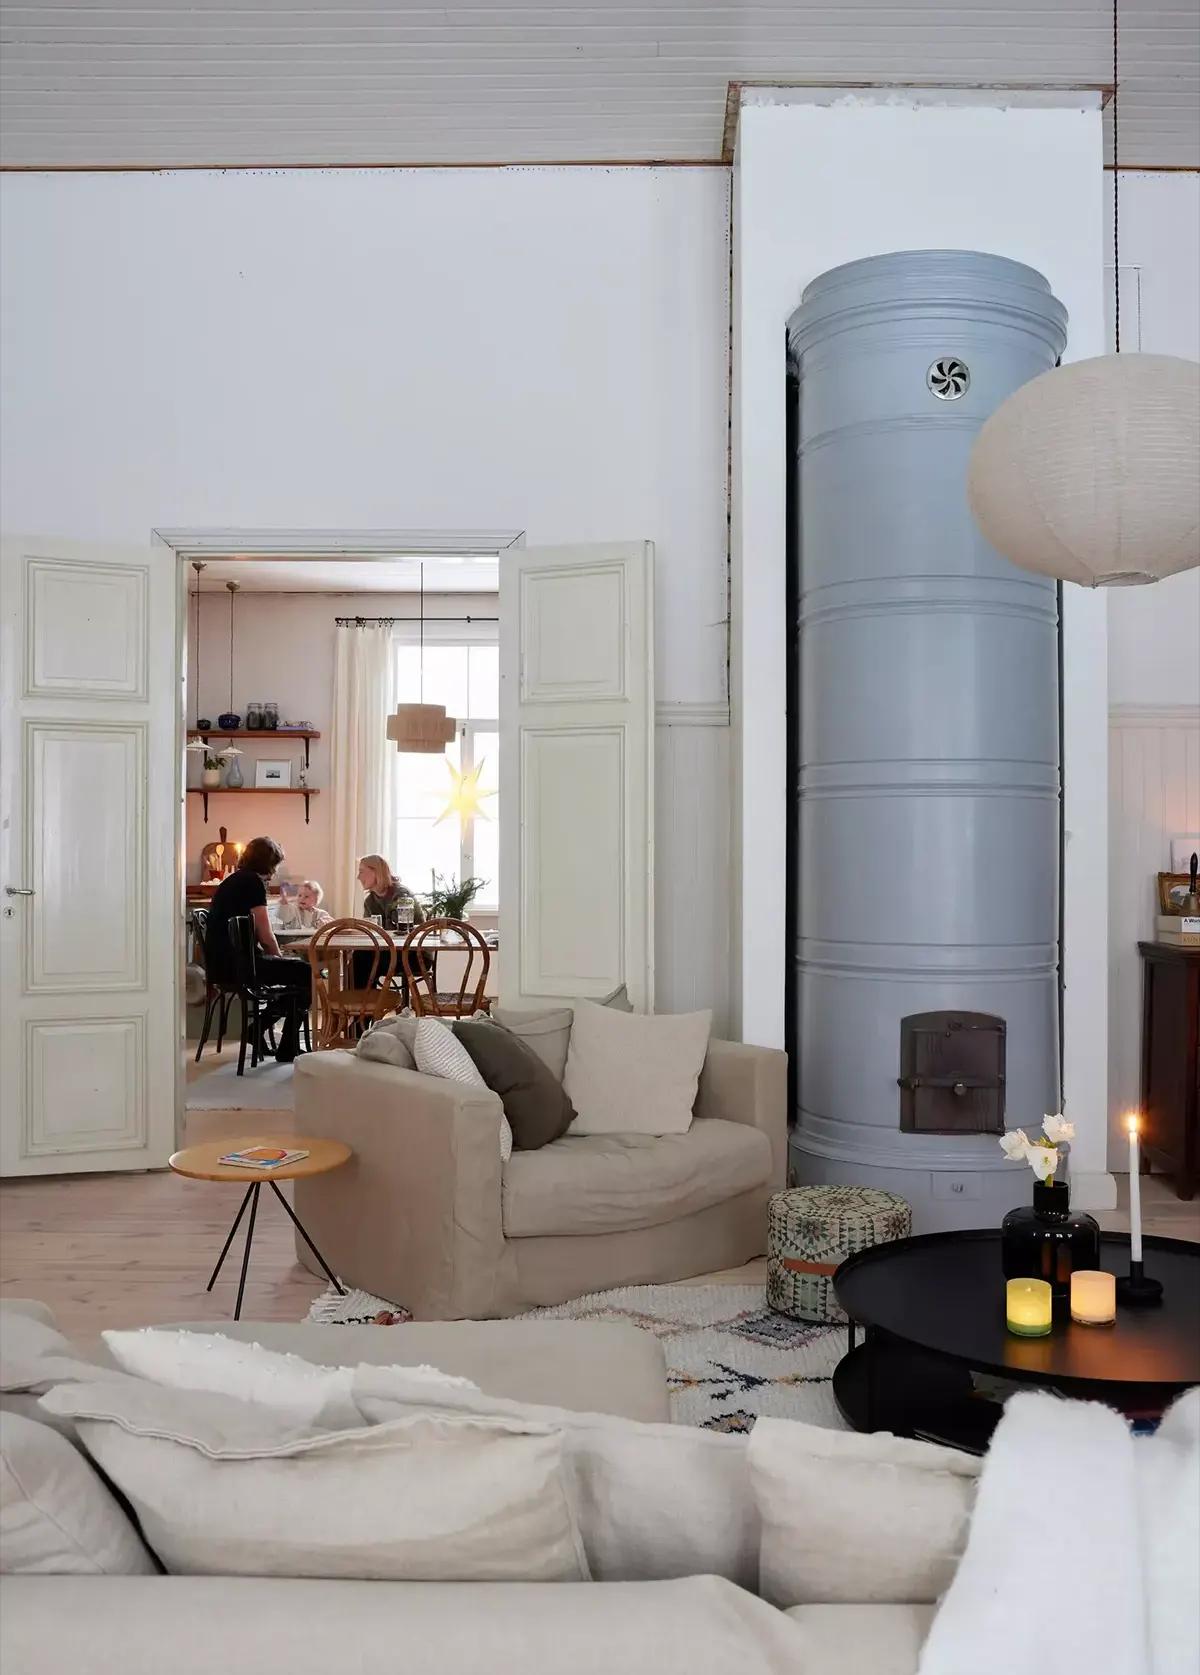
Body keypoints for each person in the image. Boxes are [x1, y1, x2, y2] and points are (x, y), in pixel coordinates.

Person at [203, 836, 311, 1064]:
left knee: (296, 974)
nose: (275, 871)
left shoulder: (234, 880)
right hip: (241, 965)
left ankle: (262, 1031)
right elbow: (266, 935)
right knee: (306, 973)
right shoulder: (252, 883)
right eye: (275, 865)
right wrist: (280, 957)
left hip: (222, 964)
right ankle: (282, 1043)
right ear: (269, 863)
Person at [357, 855, 423, 931]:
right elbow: (369, 931)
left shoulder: (402, 895)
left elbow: (402, 931)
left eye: (361, 871)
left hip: (411, 941)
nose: (358, 877)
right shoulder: (369, 901)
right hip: (386, 942)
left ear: (376, 872)